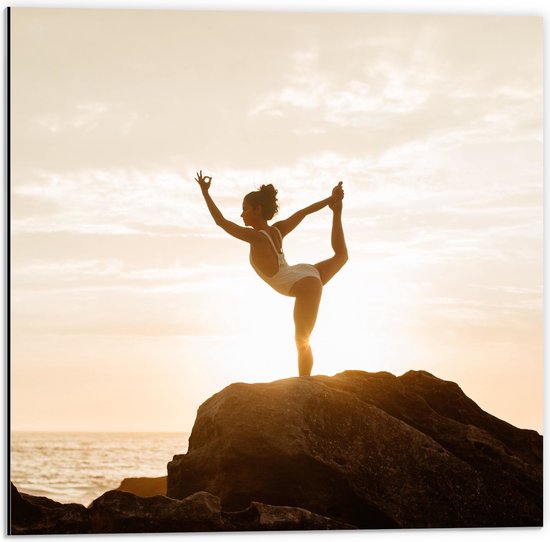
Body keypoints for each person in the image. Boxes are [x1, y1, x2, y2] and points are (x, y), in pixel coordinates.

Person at [194, 170, 348, 376]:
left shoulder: (256, 238)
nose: (241, 215)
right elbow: (304, 212)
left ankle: (304, 388)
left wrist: (205, 193)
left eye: (245, 209)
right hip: (302, 273)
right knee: (341, 256)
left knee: (301, 339)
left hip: (304, 284)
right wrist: (332, 199)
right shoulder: (277, 230)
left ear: (258, 209)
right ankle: (337, 212)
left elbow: (221, 222)